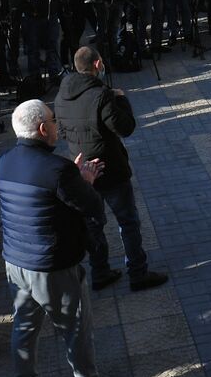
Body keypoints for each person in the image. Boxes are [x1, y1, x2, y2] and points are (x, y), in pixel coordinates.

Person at [0, 100, 136, 377]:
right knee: (75, 328)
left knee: (25, 325)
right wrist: (83, 180)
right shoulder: (58, 169)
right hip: (53, 265)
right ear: (43, 129)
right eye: (53, 121)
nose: (57, 126)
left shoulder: (3, 161)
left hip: (16, 261)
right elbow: (92, 208)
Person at [52, 46, 167, 292]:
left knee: (93, 224)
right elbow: (125, 127)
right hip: (110, 169)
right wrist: (122, 99)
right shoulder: (101, 96)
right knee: (127, 221)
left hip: (83, 170)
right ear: (98, 64)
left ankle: (100, 271)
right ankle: (138, 272)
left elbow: (61, 132)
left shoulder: (61, 96)